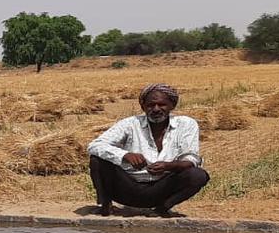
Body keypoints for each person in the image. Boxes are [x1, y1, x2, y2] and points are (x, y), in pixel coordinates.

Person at [87, 83, 209, 217]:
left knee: (198, 175)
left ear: (172, 105)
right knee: (97, 160)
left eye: (162, 105)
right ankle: (105, 205)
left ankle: (162, 209)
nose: (156, 109)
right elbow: (95, 145)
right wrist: (125, 155)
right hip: (127, 188)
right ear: (143, 107)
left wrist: (169, 166)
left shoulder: (186, 124)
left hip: (161, 189)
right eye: (150, 105)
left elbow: (191, 159)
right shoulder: (130, 123)